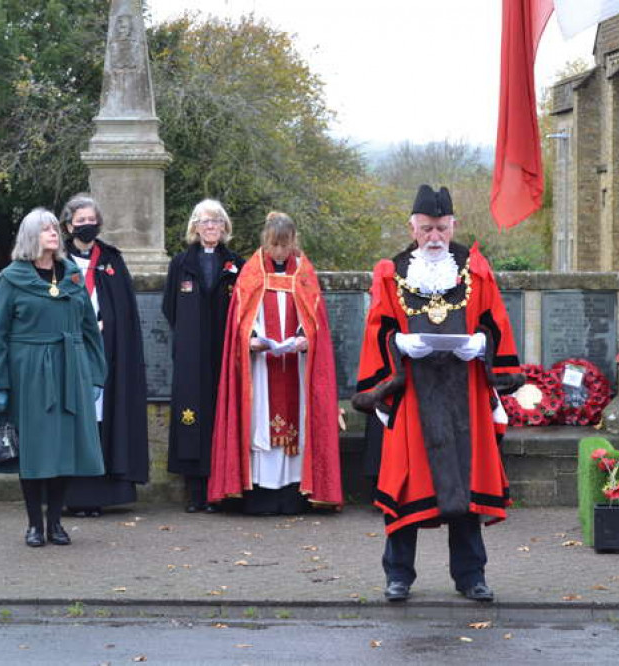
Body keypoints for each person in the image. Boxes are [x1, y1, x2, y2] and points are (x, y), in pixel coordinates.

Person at [352, 185, 524, 602]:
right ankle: (398, 576)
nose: (434, 237)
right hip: (413, 393)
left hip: (463, 392)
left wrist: (481, 344)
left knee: (465, 484)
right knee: (407, 482)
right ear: (412, 227)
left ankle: (471, 576)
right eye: (426, 229)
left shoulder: (476, 270)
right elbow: (379, 328)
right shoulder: (391, 272)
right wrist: (398, 346)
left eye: (441, 229)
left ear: (453, 226)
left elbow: (494, 321)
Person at [0, 208, 107, 547]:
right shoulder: (12, 278)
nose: (53, 233)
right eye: (45, 229)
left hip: (71, 369)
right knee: (35, 450)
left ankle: (56, 523)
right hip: (30, 373)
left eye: (55, 228)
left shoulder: (71, 276)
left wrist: (96, 374)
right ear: (30, 237)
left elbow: (89, 329)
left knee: (66, 448)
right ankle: (34, 524)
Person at [208, 212, 342, 514]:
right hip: (261, 367)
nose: (279, 252)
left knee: (299, 426)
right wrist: (251, 339)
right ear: (265, 242)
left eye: (284, 245)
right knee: (260, 425)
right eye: (274, 245)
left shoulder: (304, 272)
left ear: (294, 242)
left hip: (296, 366)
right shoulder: (252, 272)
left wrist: (304, 338)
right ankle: (262, 497)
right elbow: (241, 321)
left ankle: (293, 495)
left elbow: (314, 319)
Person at [59, 194, 149, 517]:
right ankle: (71, 495)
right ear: (69, 225)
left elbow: (124, 311)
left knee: (103, 420)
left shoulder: (111, 259)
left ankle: (100, 495)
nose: (86, 226)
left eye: (91, 221)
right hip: (68, 354)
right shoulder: (56, 261)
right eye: (80, 221)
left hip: (105, 354)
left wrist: (106, 326)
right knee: (73, 421)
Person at [162, 200, 244, 512]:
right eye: (205, 222)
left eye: (217, 222)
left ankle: (219, 492)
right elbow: (170, 307)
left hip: (224, 353)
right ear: (195, 227)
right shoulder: (180, 263)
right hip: (191, 355)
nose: (211, 227)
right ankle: (194, 493)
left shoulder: (237, 264)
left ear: (225, 228)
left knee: (220, 417)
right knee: (191, 418)